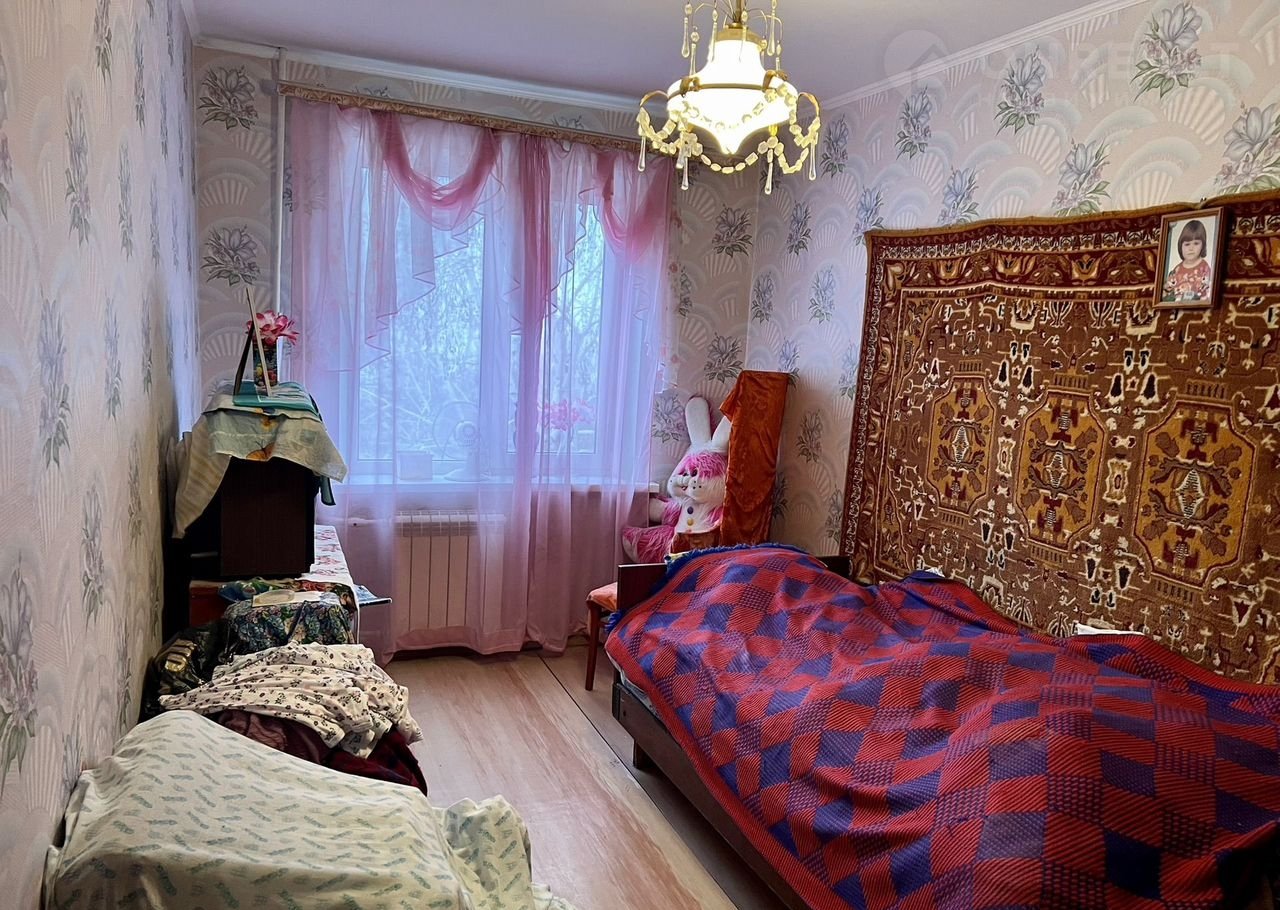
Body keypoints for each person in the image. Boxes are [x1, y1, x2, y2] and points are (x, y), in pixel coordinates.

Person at [1162, 219, 1212, 302]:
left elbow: (1207, 290)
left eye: (1196, 243)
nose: (1191, 248)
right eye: (1187, 244)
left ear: (1203, 245)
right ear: (1180, 246)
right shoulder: (1177, 269)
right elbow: (1170, 288)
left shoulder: (1204, 268)